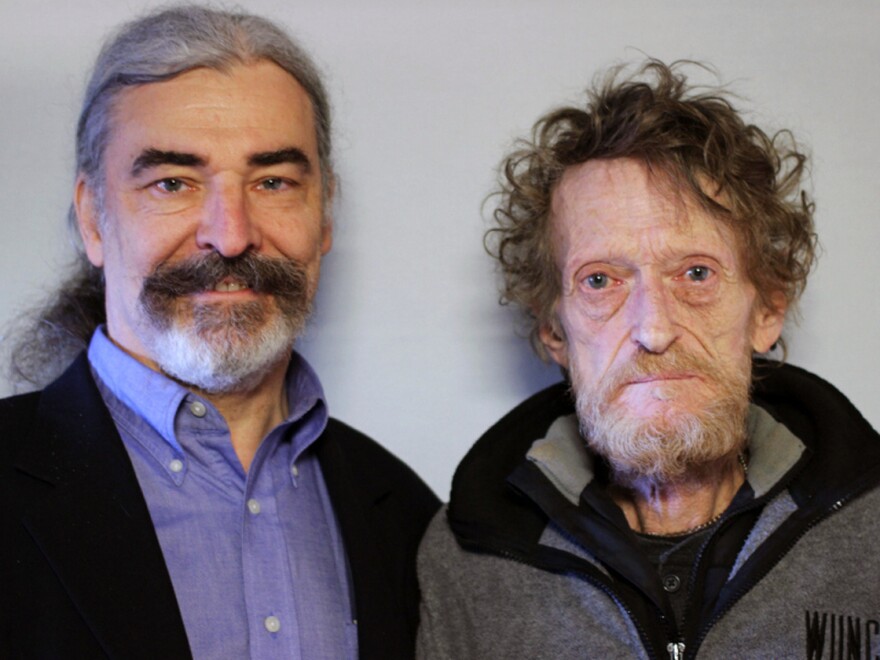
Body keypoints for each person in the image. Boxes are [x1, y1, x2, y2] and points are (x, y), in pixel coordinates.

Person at [0, 6, 439, 659]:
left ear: (323, 218)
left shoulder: (408, 517)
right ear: (93, 220)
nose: (231, 234)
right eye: (173, 182)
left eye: (273, 181)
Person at [417, 60, 880, 659]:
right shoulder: (464, 560)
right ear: (554, 331)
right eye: (601, 280)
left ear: (766, 309)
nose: (654, 329)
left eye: (695, 273)